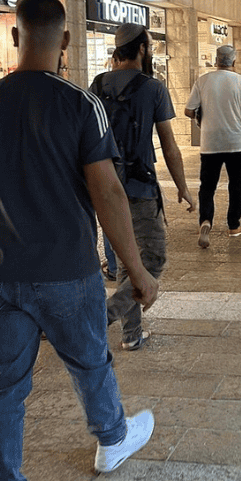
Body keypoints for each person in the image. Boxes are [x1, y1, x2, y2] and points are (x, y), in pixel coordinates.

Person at [0, 0, 158, 481]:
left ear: (16, 38)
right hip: (66, 269)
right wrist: (136, 270)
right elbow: (108, 190)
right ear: (65, 42)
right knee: (90, 359)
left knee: (3, 389)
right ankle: (112, 440)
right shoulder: (79, 104)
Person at [91, 23, 195, 351]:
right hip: (139, 185)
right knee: (152, 259)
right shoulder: (153, 88)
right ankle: (96, 321)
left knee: (126, 262)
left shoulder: (97, 84)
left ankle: (132, 333)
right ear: (141, 49)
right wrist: (182, 186)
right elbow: (169, 144)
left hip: (103, 185)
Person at [185, 44, 241, 248]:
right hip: (236, 143)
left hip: (210, 143)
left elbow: (188, 110)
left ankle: (206, 220)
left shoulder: (203, 81)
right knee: (235, 186)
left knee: (208, 186)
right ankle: (233, 226)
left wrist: (202, 114)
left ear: (216, 60)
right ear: (234, 61)